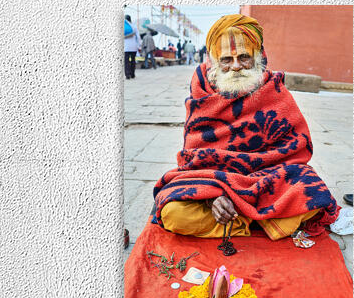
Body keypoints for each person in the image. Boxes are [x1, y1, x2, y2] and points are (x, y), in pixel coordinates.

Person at [151, 14, 340, 240]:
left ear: (258, 57)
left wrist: (250, 190)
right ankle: (258, 222)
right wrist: (212, 196)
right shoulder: (202, 90)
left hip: (265, 182)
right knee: (174, 213)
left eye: (244, 57)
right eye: (226, 60)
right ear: (213, 61)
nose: (236, 67)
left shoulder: (273, 89)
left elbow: (297, 150)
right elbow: (194, 158)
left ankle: (240, 221)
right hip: (216, 182)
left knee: (313, 194)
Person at [123, 14, 140, 79]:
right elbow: (138, 37)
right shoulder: (134, 26)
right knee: (133, 60)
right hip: (133, 47)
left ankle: (127, 75)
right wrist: (139, 46)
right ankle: (132, 74)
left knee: (126, 61)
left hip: (126, 47)